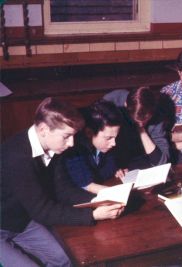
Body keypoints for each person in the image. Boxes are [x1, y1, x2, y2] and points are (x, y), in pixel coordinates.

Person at [0, 97, 124, 267]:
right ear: (44, 129)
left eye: (72, 136)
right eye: (66, 136)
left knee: (64, 259)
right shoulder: (17, 157)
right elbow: (41, 210)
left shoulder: (53, 148)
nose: (71, 143)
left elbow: (63, 189)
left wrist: (97, 201)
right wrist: (93, 214)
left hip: (21, 221)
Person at [61, 100, 124, 194]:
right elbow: (85, 184)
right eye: (108, 138)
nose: (114, 143)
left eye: (115, 137)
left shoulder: (104, 145)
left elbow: (110, 169)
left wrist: (116, 171)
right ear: (89, 133)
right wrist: (119, 193)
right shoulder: (73, 149)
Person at [103, 87, 170, 169]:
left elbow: (162, 162)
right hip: (113, 157)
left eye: (145, 121)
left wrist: (142, 131)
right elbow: (101, 144)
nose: (141, 124)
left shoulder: (157, 115)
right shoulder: (111, 102)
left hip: (140, 157)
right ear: (125, 105)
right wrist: (114, 168)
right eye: (137, 121)